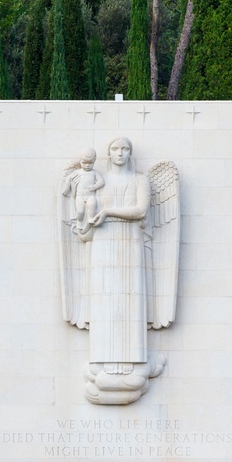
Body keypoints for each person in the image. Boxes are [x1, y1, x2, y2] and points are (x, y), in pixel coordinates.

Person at [87, 137, 150, 375]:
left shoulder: (140, 180)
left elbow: (141, 210)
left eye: (125, 149)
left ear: (130, 153)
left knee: (131, 295)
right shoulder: (98, 180)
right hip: (103, 240)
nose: (120, 153)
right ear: (108, 153)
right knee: (104, 296)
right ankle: (102, 358)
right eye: (115, 148)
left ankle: (132, 358)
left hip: (131, 240)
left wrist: (108, 211)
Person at [61, 148, 104, 241]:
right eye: (84, 163)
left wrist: (95, 187)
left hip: (90, 195)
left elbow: (101, 181)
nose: (88, 165)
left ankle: (90, 218)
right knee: (80, 211)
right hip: (80, 195)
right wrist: (66, 188)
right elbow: (69, 179)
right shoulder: (78, 172)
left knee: (92, 205)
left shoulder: (94, 173)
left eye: (90, 163)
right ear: (80, 161)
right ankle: (79, 222)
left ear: (94, 162)